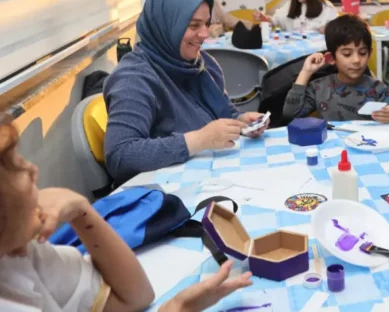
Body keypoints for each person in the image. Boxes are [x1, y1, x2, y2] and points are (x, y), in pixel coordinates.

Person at [0, 117, 253, 311]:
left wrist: (81, 210)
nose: (32, 169)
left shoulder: (22, 256)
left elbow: (134, 298)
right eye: (15, 166)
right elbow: (122, 155)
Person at [104, 0, 266, 185]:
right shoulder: (134, 78)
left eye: (206, 24)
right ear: (166, 24)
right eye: (193, 25)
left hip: (211, 177)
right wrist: (199, 140)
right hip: (166, 191)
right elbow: (121, 156)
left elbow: (223, 112)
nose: (205, 34)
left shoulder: (202, 64)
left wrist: (241, 120)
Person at [283, 15, 389, 123]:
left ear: (369, 54)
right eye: (347, 54)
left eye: (362, 53)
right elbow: (291, 114)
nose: (356, 60)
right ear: (331, 58)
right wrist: (306, 72)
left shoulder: (379, 89)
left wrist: (388, 118)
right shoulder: (319, 87)